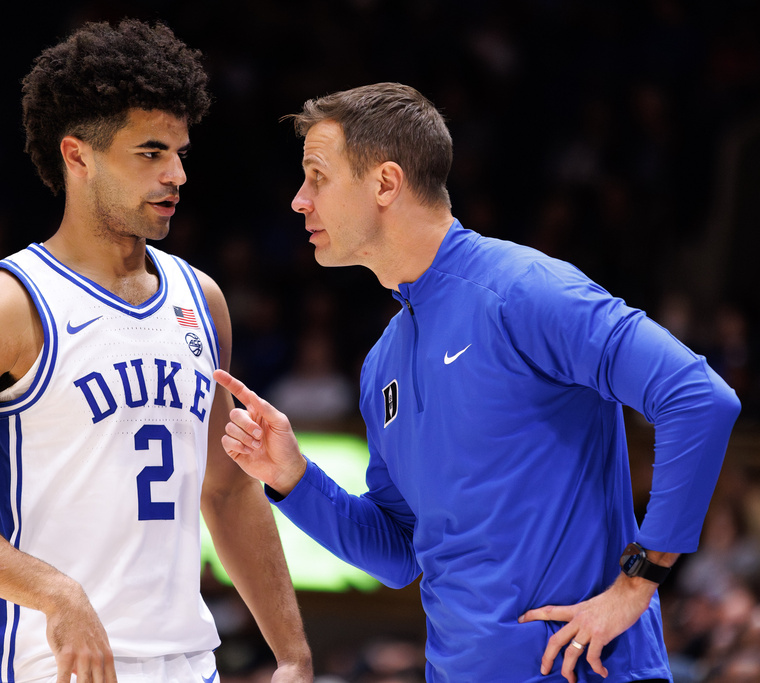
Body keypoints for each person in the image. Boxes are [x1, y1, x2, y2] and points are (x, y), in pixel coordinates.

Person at [213, 82, 741, 683]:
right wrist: (293, 479)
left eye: (317, 176)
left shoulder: (523, 289)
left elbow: (698, 398)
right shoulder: (382, 362)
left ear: (385, 183)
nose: (299, 201)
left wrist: (641, 579)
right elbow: (396, 554)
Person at [0, 19, 312, 683]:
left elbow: (225, 489)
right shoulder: (1, 305)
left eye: (179, 152)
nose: (176, 174)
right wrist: (52, 590)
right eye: (149, 153)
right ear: (78, 156)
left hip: (188, 662)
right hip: (52, 663)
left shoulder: (201, 299)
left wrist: (291, 650)